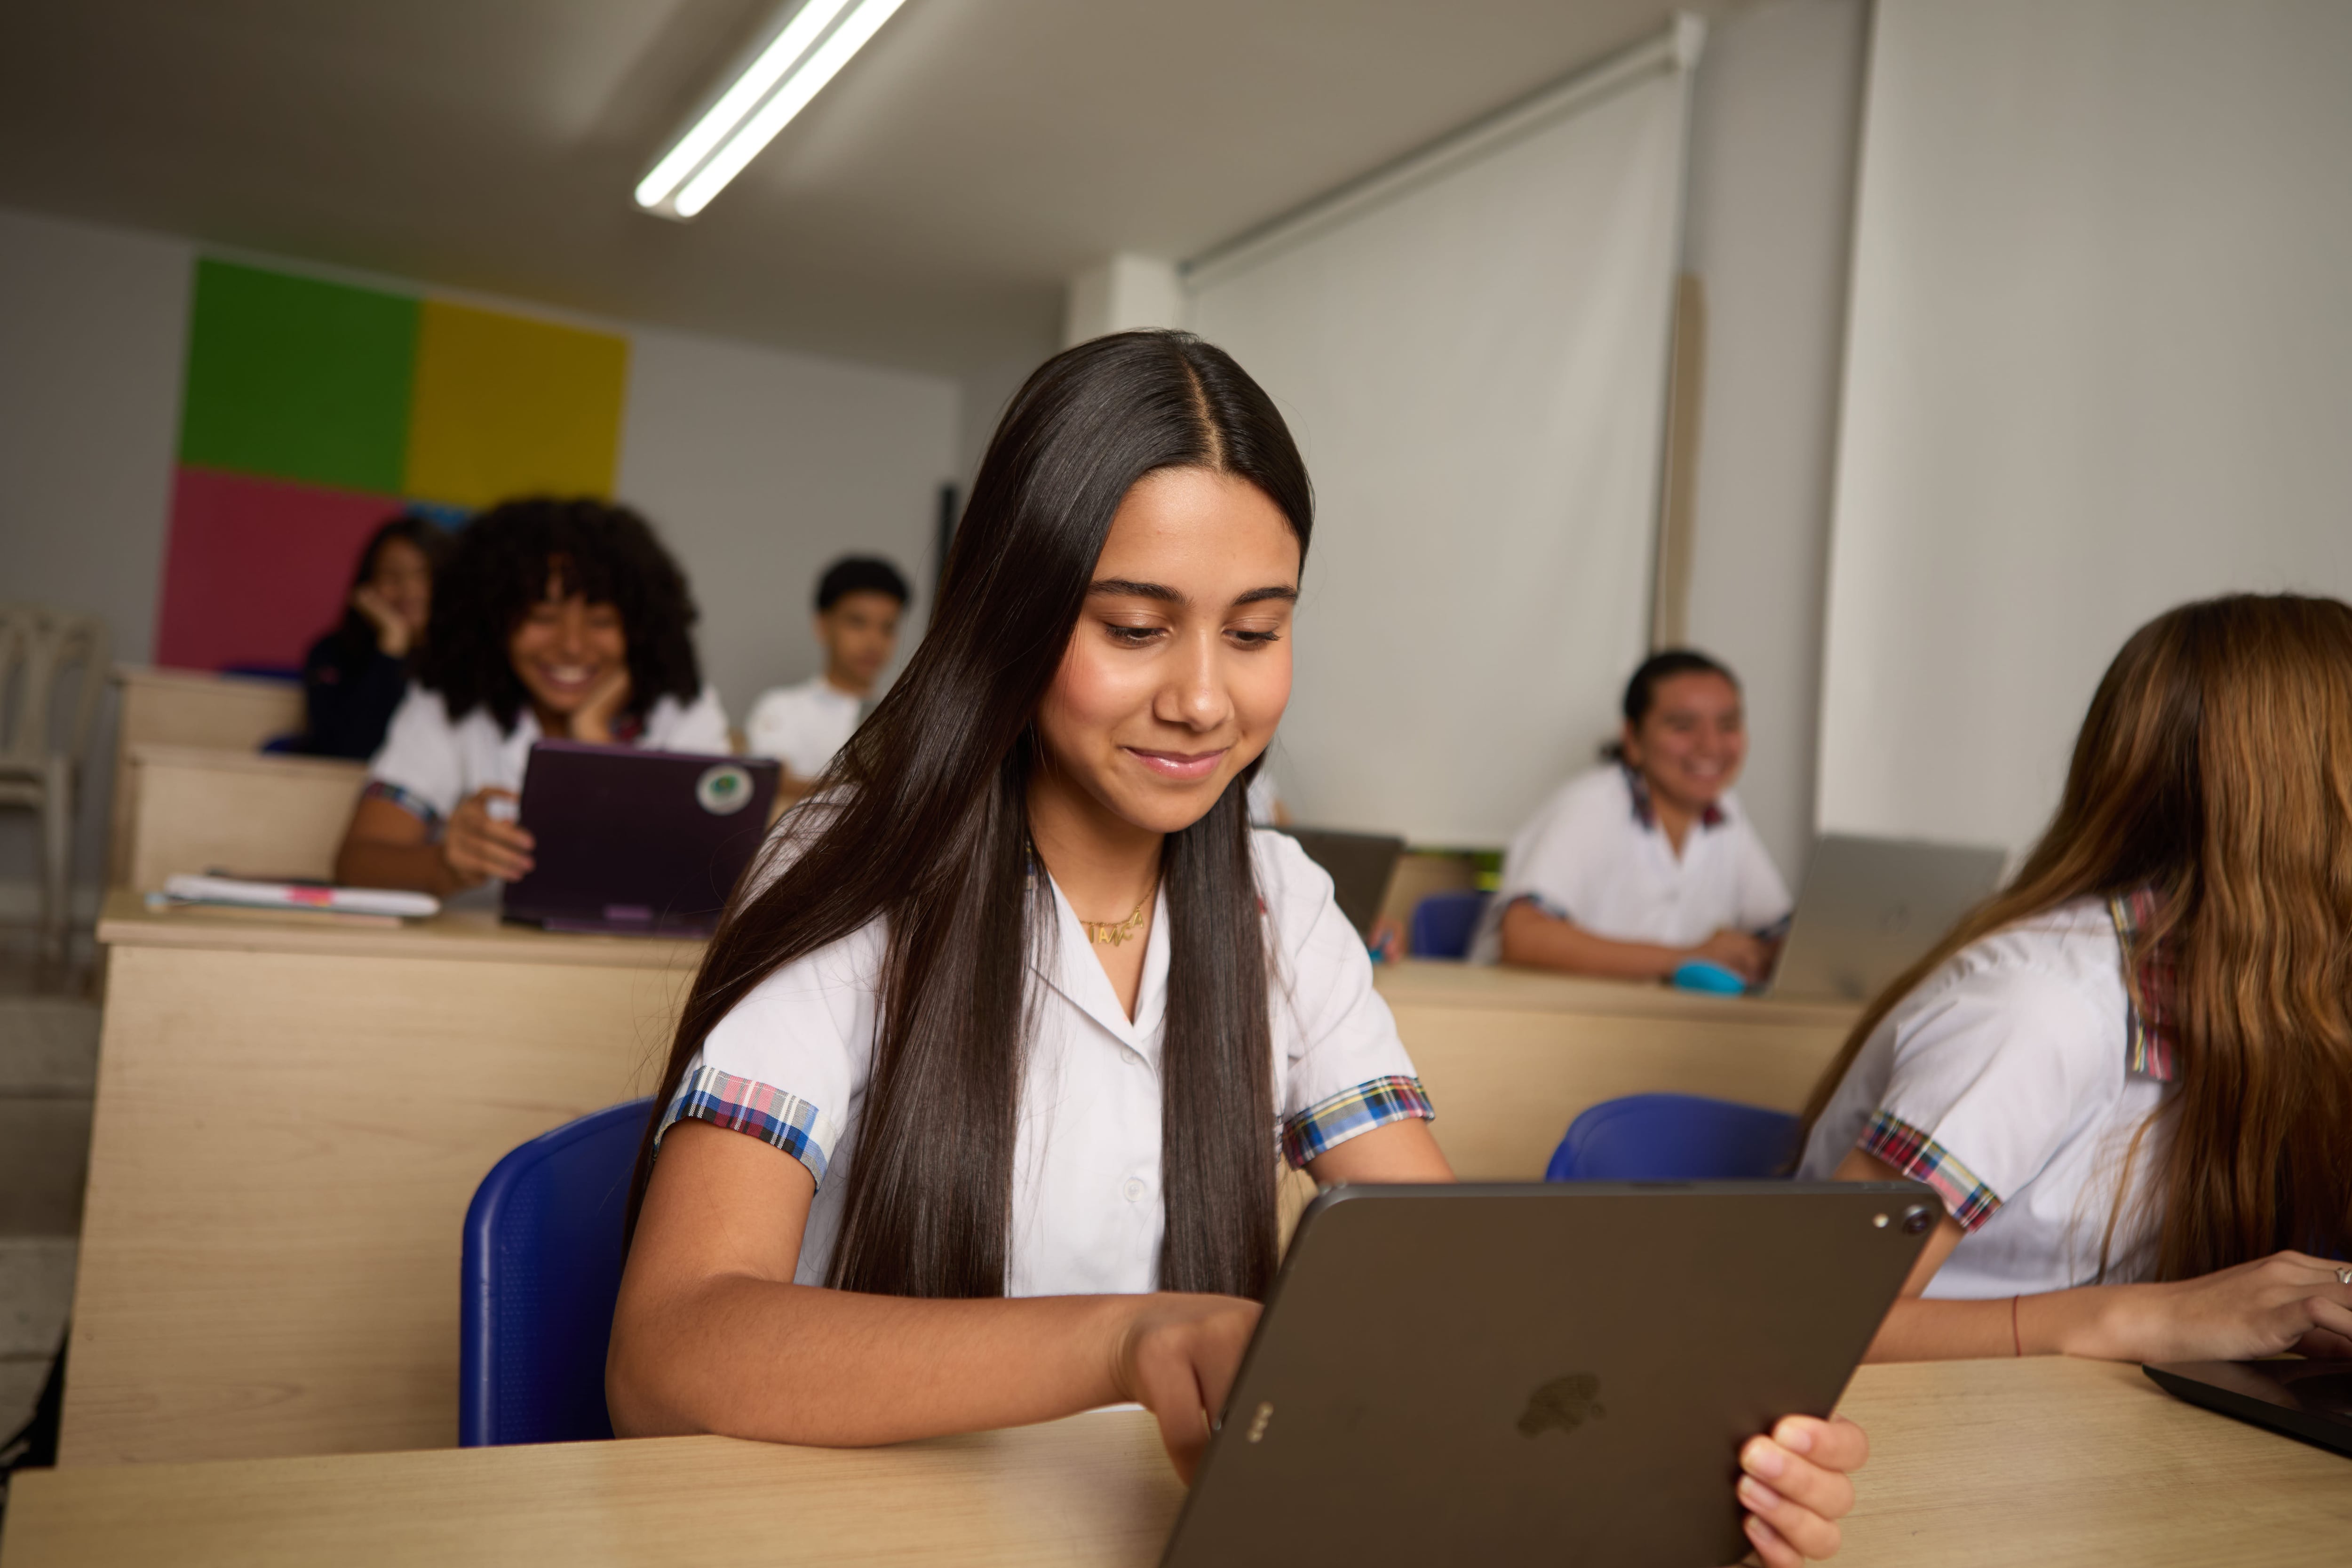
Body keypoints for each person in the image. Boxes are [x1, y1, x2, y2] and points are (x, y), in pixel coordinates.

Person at [606, 333, 1867, 1568]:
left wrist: (1684, 1470)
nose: (1206, 699)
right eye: (1137, 627)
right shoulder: (851, 863)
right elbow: (669, 1352)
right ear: (1012, 614)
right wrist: (1122, 1342)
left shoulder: (1277, 899)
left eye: (1256, 632)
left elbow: (1441, 1285)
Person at [1797, 594, 2352, 1365]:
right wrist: (2131, 1321)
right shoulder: (2037, 1013)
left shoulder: (2282, 1006)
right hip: (1909, 1445)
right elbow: (1799, 1319)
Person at [332, 497, 730, 897]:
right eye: (543, 617)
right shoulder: (453, 700)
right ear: (493, 620)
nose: (573, 646)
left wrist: (594, 740)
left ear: (642, 628)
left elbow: (712, 881)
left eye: (601, 620)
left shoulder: (681, 707)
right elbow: (356, 862)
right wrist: (445, 863)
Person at [1470, 649, 1791, 982]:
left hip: (1650, 1023)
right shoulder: (1589, 805)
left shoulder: (1726, 813)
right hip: (1537, 1019)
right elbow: (1524, 938)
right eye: (1683, 726)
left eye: (1728, 724)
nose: (1711, 745)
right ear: (1633, 739)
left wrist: (1769, 953)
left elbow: (1780, 933)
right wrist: (1688, 958)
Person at [744, 556, 909, 802]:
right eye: (858, 622)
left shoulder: (906, 713)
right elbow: (773, 783)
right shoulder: (781, 707)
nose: (874, 642)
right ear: (822, 625)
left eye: (888, 628)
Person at [286, 515, 448, 760]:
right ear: (368, 585)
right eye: (392, 577)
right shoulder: (330, 653)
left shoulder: (465, 661)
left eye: (424, 575)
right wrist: (392, 646)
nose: (410, 590)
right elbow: (349, 751)